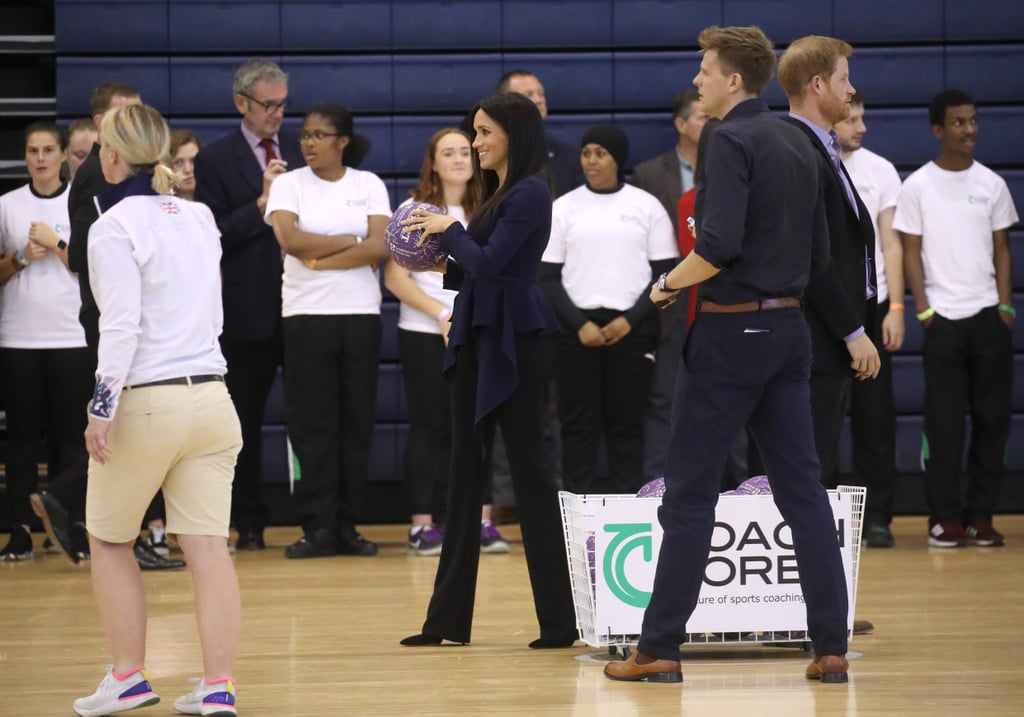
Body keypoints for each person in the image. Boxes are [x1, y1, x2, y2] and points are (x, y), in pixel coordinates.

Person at [604, 25, 850, 684]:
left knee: (688, 496)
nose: (697, 81)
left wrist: (661, 286)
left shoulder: (727, 137)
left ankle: (657, 648)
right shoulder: (801, 142)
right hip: (791, 333)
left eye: (705, 71)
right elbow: (821, 256)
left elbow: (716, 246)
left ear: (733, 80)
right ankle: (830, 647)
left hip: (729, 331)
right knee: (803, 493)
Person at [73, 103, 242, 717]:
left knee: (109, 538)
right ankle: (218, 685)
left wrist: (100, 407)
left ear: (110, 156)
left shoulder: (111, 226)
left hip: (147, 401)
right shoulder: (199, 218)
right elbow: (214, 313)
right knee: (207, 545)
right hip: (214, 398)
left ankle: (128, 677)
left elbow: (119, 327)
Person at [399, 92, 577, 649]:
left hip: (516, 339)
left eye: (484, 133)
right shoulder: (502, 192)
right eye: (473, 133)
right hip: (479, 334)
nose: (475, 144)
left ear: (513, 135)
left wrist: (447, 228)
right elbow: (470, 268)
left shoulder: (530, 192)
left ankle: (560, 623)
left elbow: (492, 264)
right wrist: (433, 248)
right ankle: (445, 623)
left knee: (531, 476)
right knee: (463, 472)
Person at [32, 80, 184, 570]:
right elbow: (86, 255)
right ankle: (76, 503)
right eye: (126, 116)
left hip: (136, 320)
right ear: (102, 126)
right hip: (115, 318)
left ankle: (112, 525)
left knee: (133, 428)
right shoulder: (100, 178)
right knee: (121, 426)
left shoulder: (167, 198)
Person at [779, 35, 881, 638]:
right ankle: (808, 614)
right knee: (804, 479)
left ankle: (820, 611)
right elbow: (816, 259)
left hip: (828, 342)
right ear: (817, 84)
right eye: (843, 79)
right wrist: (851, 330)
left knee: (814, 475)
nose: (850, 90)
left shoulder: (826, 150)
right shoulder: (802, 150)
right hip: (816, 341)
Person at [894, 88, 1018, 548]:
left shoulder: (991, 184)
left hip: (989, 317)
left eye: (974, 120)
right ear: (938, 130)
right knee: (943, 424)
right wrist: (923, 308)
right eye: (960, 123)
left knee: (992, 420)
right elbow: (910, 251)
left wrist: (1005, 307)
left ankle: (980, 516)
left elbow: (1003, 249)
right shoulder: (918, 186)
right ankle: (943, 518)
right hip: (941, 319)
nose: (970, 130)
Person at [266, 103, 390, 559]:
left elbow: (381, 245)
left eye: (320, 135)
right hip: (305, 317)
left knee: (355, 423)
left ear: (343, 142)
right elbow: (289, 241)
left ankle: (348, 524)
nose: (309, 143)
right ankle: (316, 525)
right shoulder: (288, 183)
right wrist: (350, 243)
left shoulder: (368, 184)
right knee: (311, 423)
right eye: (305, 135)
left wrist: (320, 256)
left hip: (359, 315)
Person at [383, 128, 512, 555]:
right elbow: (396, 276)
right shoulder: (414, 209)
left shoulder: (489, 209)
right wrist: (442, 314)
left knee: (478, 426)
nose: (459, 159)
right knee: (430, 426)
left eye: (464, 151)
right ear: (433, 162)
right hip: (425, 331)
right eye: (448, 153)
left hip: (477, 330)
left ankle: (481, 522)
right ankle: (423, 525)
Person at [194, 60, 303, 551]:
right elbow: (212, 232)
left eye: (283, 103)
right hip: (246, 308)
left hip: (306, 302)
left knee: (312, 417)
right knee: (246, 420)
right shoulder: (215, 160)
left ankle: (319, 518)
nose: (277, 113)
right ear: (242, 103)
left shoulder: (305, 150)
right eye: (268, 104)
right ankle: (250, 520)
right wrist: (262, 203)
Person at [540, 124, 678, 494]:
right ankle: (576, 510)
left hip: (632, 329)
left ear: (617, 158)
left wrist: (629, 320)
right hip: (575, 331)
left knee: (627, 426)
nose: (591, 161)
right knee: (577, 427)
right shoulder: (564, 208)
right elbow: (547, 277)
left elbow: (665, 274)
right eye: (586, 153)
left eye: (600, 154)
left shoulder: (645, 207)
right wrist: (578, 324)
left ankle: (625, 509)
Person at [0, 121, 91, 561]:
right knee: (20, 439)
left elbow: (90, 266)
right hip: (19, 337)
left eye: (48, 149)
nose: (40, 158)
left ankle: (69, 524)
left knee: (73, 437)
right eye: (33, 150)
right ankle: (19, 529)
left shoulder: (81, 203)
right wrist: (19, 258)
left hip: (72, 336)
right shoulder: (8, 206)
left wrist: (55, 245)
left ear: (61, 155)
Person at [835, 94, 905, 548]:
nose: (861, 127)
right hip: (822, 306)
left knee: (874, 417)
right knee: (818, 416)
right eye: (853, 119)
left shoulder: (880, 169)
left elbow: (892, 244)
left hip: (871, 304)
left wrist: (896, 307)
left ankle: (876, 514)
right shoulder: (813, 162)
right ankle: (819, 514)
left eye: (863, 117)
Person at [632, 90, 709, 483]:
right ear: (680, 124)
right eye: (700, 116)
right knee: (665, 400)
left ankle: (735, 490)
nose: (710, 123)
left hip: (718, 301)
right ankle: (654, 486)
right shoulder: (649, 174)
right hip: (669, 303)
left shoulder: (733, 170)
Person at [141, 129, 205, 557]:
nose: (186, 171)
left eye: (192, 163)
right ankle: (157, 528)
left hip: (199, 361)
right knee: (152, 454)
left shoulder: (201, 216)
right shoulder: (137, 218)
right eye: (178, 162)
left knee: (188, 453)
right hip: (154, 360)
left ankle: (184, 530)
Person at [496, 70, 582, 199]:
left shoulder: (570, 157)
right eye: (529, 95)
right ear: (506, 103)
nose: (538, 100)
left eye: (541, 94)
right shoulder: (491, 154)